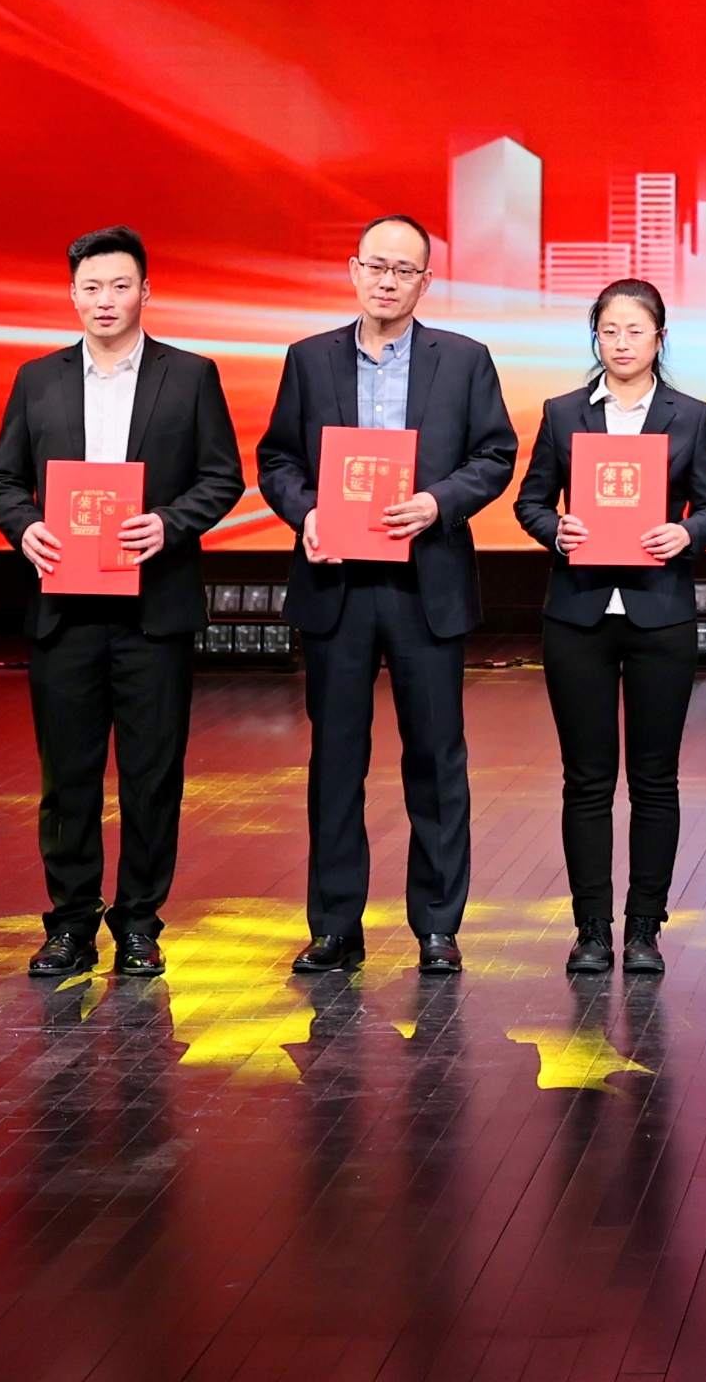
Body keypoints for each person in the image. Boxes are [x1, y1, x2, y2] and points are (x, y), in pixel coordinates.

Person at [261, 214, 520, 980]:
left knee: (436, 758)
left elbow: (495, 454)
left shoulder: (463, 360)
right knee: (336, 760)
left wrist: (438, 502)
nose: (387, 280)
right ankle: (335, 926)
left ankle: (437, 926)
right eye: (375, 265)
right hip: (337, 583)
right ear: (353, 270)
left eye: (404, 270)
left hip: (424, 582)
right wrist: (307, 512)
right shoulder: (309, 359)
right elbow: (277, 459)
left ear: (425, 282)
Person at [0, 227, 243, 982]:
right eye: (92, 287)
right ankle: (69, 925)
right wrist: (25, 528)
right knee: (67, 777)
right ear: (72, 294)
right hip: (64, 607)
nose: (106, 300)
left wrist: (169, 523)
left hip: (153, 611)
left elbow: (222, 476)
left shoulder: (189, 375)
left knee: (152, 776)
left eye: (120, 286)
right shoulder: (38, 378)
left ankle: (139, 924)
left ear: (145, 292)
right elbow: (3, 481)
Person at [513, 280, 706, 977]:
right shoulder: (563, 413)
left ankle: (643, 929)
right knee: (586, 779)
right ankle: (591, 930)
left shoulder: (689, 415)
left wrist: (685, 533)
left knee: (655, 778)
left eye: (636, 330)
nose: (623, 343)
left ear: (660, 338)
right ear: (596, 338)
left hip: (660, 612)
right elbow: (530, 501)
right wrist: (556, 530)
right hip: (578, 614)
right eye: (610, 330)